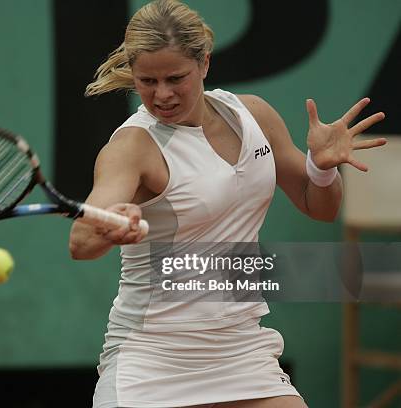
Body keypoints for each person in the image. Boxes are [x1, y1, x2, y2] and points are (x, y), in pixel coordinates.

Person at [68, 0, 386, 407]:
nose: (161, 95)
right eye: (147, 81)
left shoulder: (254, 116)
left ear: (204, 63)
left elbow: (319, 208)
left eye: (175, 78)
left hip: (241, 351)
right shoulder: (132, 147)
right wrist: (109, 226)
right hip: (151, 361)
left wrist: (321, 170)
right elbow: (81, 242)